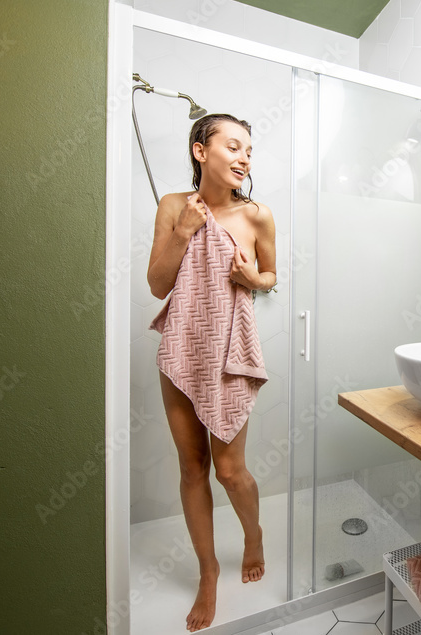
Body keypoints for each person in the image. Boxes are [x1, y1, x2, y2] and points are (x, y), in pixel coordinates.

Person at [146, 114, 276, 632]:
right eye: (233, 146)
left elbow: (271, 274)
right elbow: (158, 285)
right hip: (182, 348)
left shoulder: (258, 214)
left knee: (230, 470)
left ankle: (254, 534)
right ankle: (208, 571)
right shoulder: (174, 207)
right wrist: (183, 233)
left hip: (228, 350)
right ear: (202, 151)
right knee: (191, 466)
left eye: (249, 150)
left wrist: (254, 278)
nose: (244, 157)